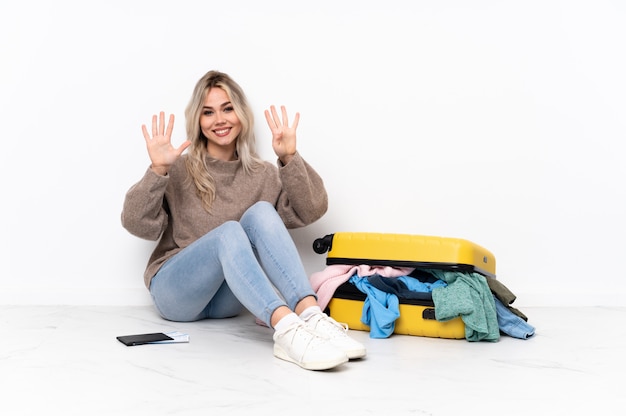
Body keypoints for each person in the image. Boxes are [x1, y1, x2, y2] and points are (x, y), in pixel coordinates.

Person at [121, 70, 366, 370]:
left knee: (262, 211)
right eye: (208, 112)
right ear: (198, 121)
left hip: (228, 300)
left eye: (227, 108)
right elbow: (137, 223)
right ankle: (287, 330)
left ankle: (312, 316)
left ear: (241, 114)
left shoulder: (263, 175)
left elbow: (311, 209)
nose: (219, 120)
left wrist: (290, 158)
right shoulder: (181, 169)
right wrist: (158, 170)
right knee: (228, 232)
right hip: (176, 293)